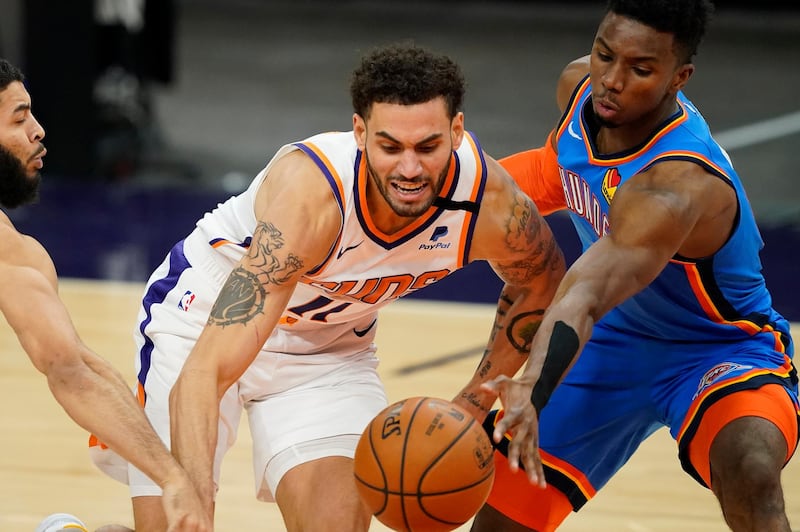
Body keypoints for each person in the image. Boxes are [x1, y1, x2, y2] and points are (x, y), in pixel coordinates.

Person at [89, 42, 566, 531]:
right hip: (203, 320)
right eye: (390, 147)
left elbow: (542, 280)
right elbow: (204, 370)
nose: (409, 168)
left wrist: (471, 404)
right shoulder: (313, 198)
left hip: (327, 350)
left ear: (456, 131)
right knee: (179, 525)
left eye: (428, 146)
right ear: (360, 133)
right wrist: (191, 496)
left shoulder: (488, 201)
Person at [473, 1, 799, 531]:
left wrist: (532, 384)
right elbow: (555, 171)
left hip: (716, 349)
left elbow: (586, 292)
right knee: (504, 509)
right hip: (613, 340)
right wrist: (452, 201)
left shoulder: (677, 184)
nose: (612, 81)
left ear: (680, 77)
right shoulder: (581, 89)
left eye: (641, 70)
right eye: (605, 55)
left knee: (749, 465)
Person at [0, 58, 211, 532]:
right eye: (18, 118)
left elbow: (74, 365)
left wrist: (168, 472)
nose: (38, 131)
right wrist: (170, 477)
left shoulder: (15, 250)